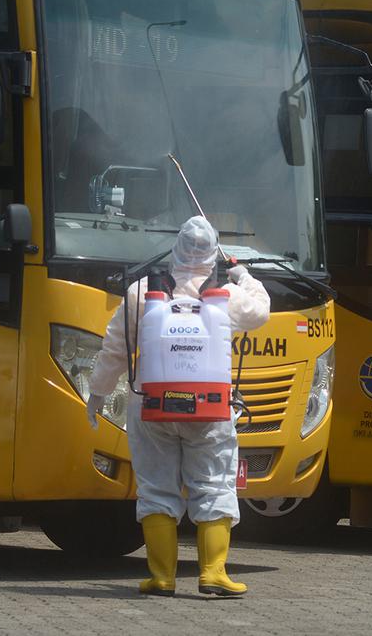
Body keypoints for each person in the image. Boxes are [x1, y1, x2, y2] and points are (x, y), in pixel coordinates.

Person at [86, 215, 270, 597]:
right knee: (215, 485)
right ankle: (213, 573)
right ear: (212, 253)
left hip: (152, 406)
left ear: (177, 249)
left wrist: (98, 394)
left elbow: (115, 349)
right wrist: (244, 277)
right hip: (209, 409)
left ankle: (161, 577)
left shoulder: (141, 293)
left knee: (155, 487)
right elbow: (261, 312)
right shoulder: (226, 296)